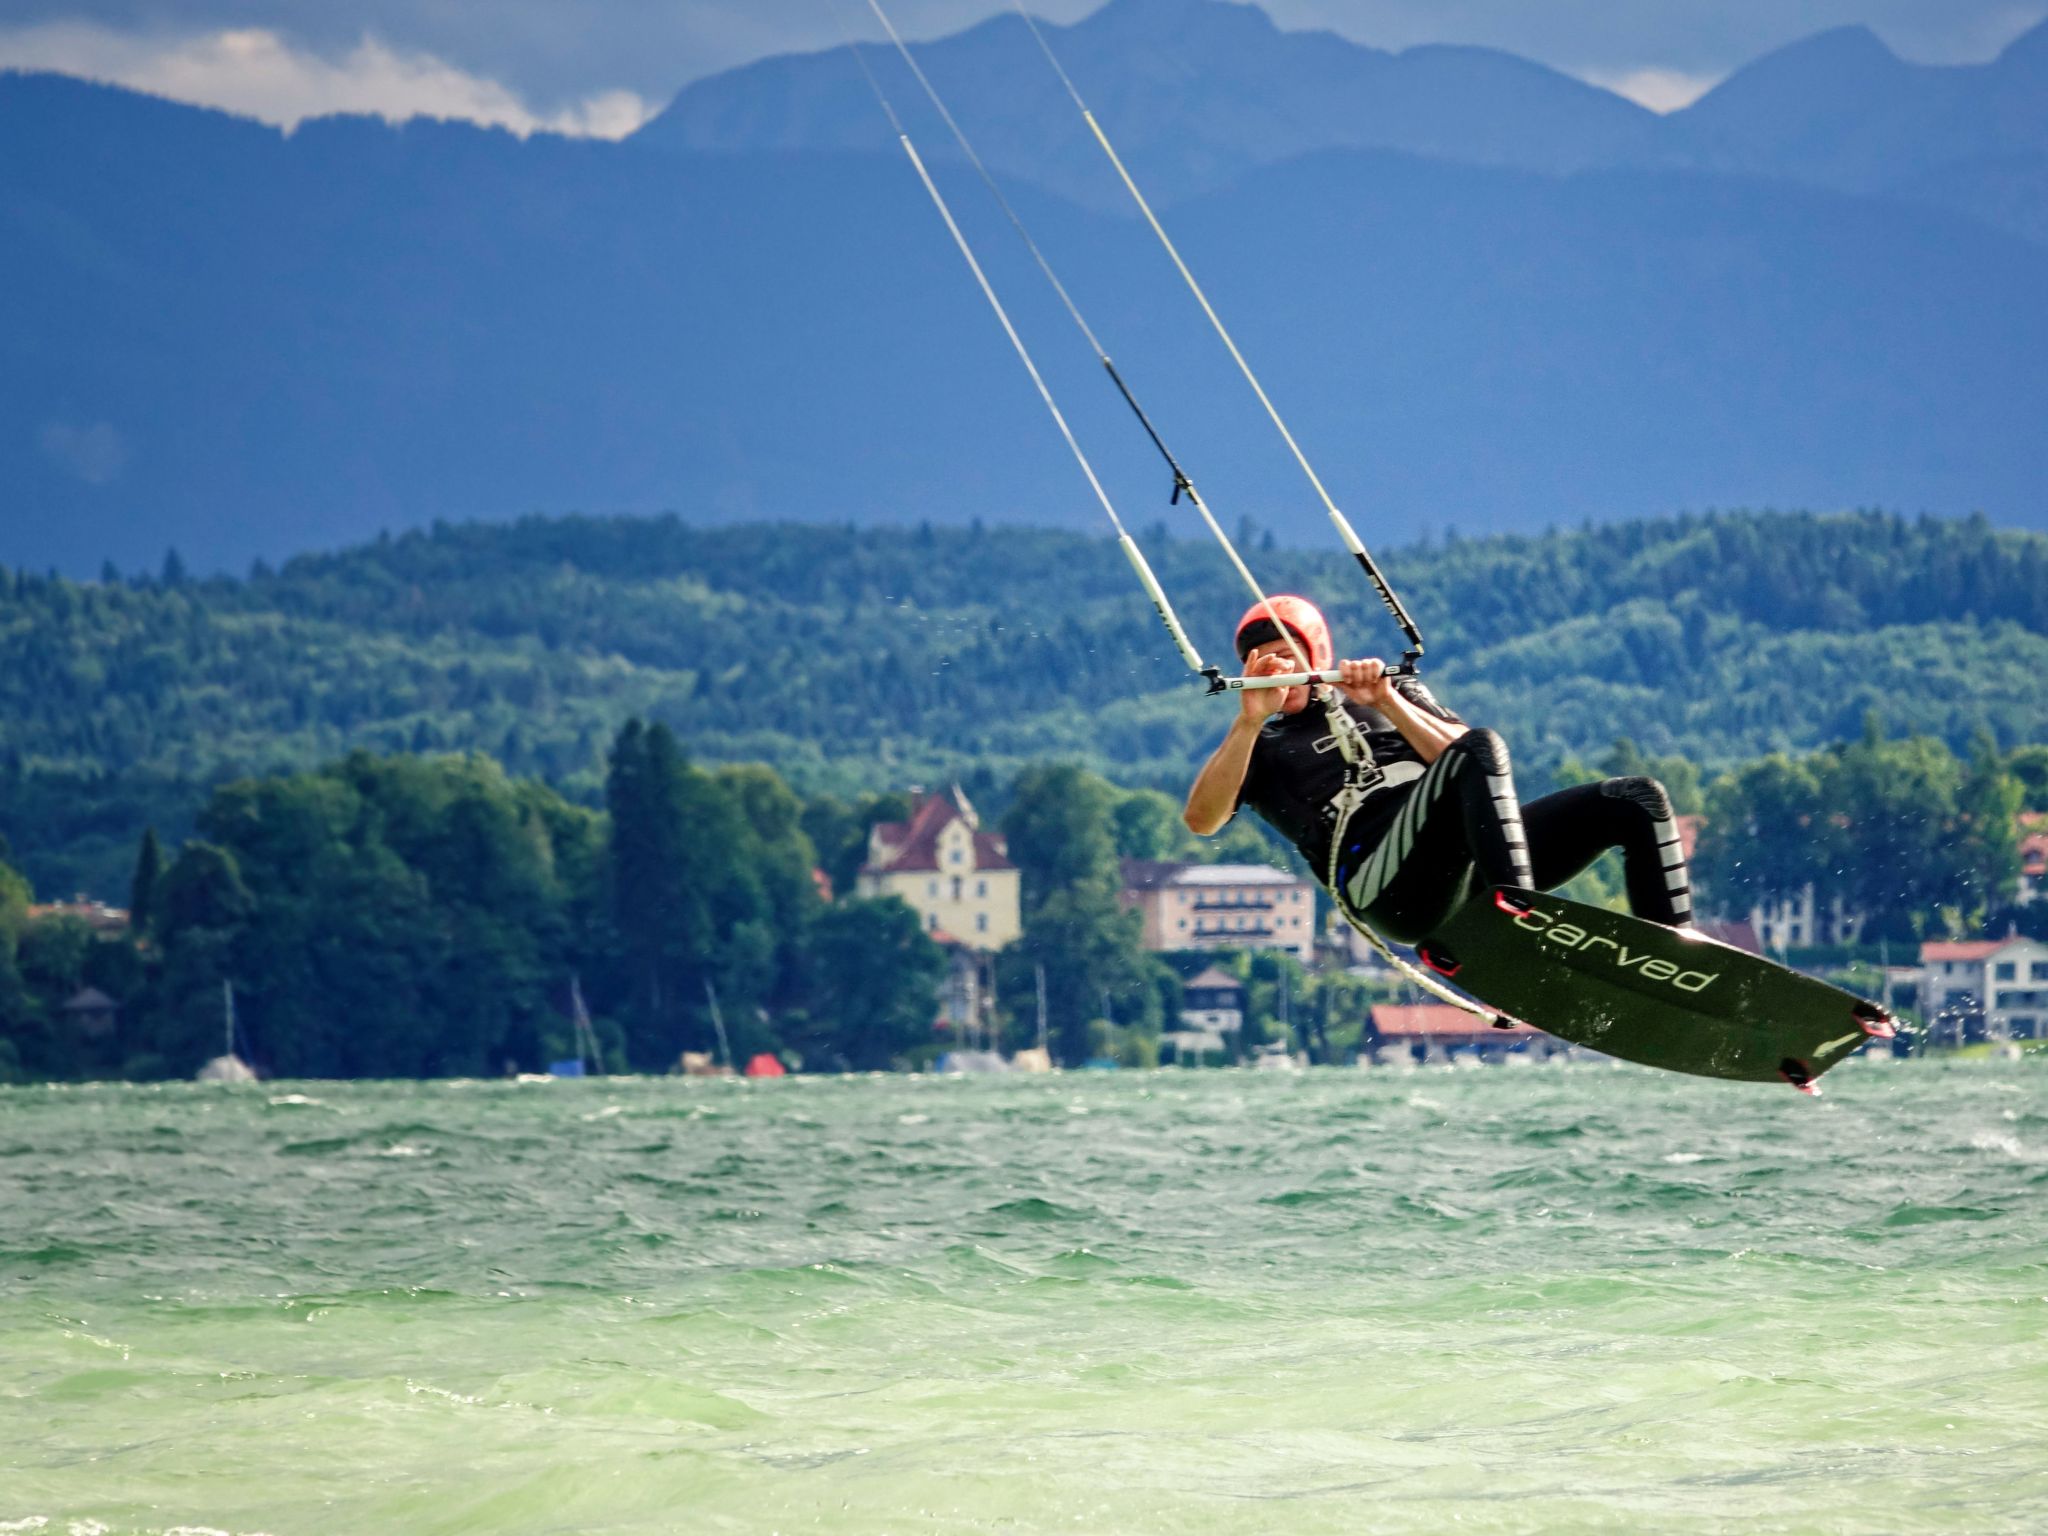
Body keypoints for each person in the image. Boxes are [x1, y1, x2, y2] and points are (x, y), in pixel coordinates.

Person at [1182, 595, 1693, 944]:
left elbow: (1468, 753)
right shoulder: (1259, 745)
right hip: (1387, 890)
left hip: (1471, 867)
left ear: (1317, 656)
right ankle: (1519, 925)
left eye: (1287, 657)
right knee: (1477, 749)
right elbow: (1202, 820)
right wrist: (1250, 719)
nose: (1278, 672)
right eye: (1262, 663)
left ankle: (1679, 956)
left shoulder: (1392, 693)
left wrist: (1387, 701)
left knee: (1637, 800)